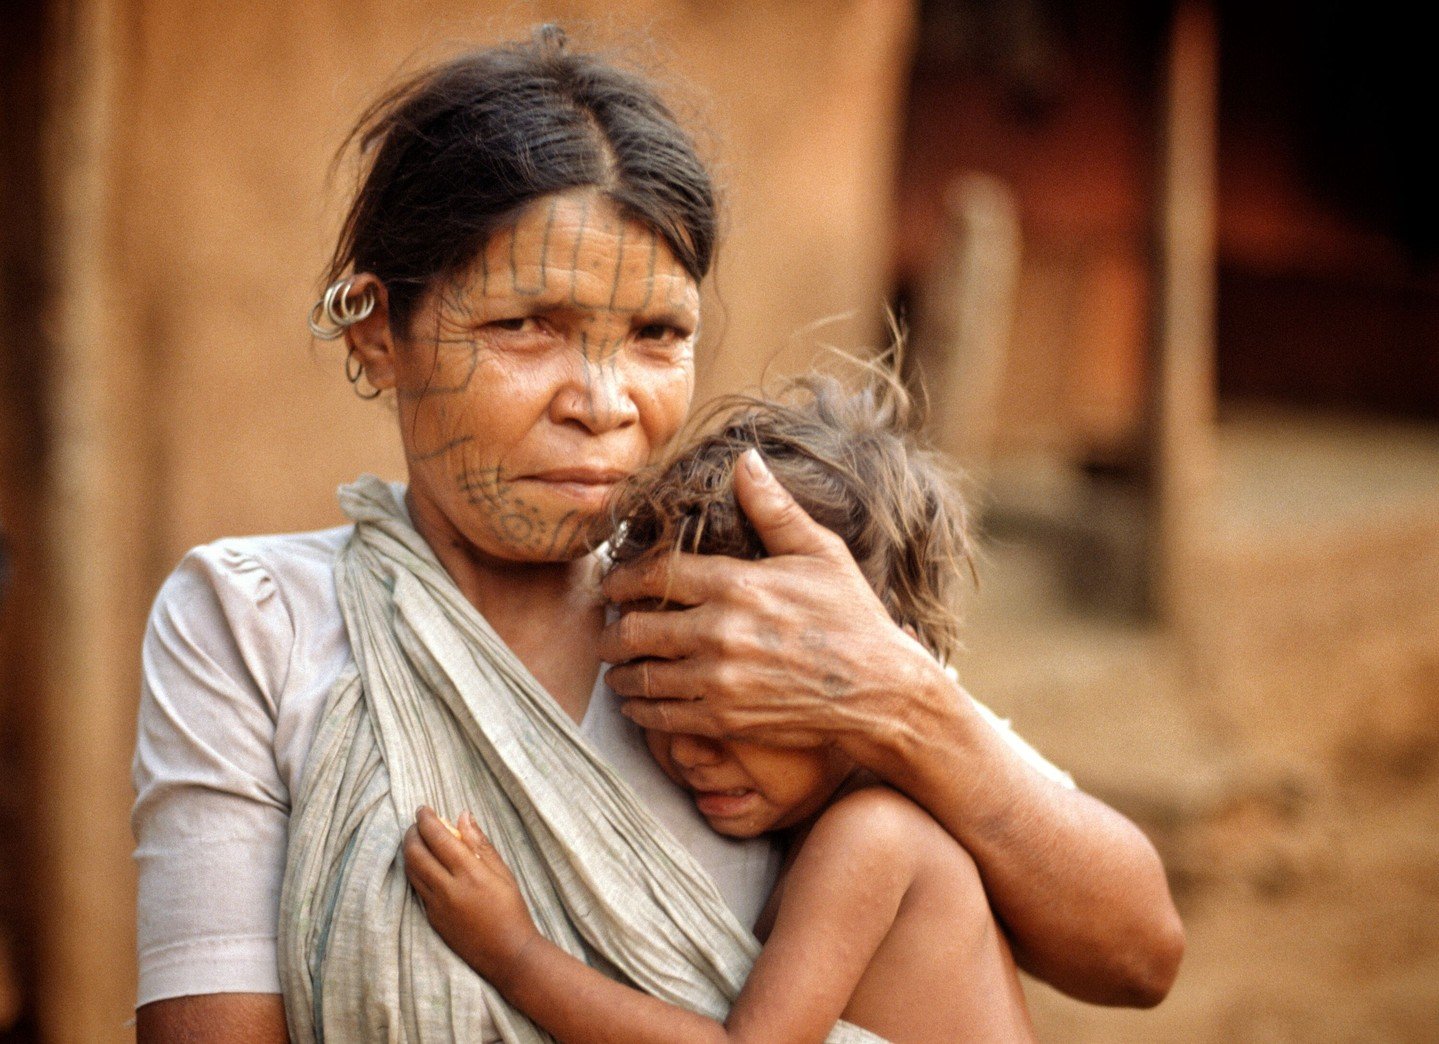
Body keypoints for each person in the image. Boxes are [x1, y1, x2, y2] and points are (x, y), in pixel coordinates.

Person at [131, 25, 1182, 1044]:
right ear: (377, 332)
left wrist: (896, 695)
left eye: (654, 336)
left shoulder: (749, 607)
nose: (603, 401)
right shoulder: (253, 625)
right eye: (525, 325)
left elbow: (1136, 953)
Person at [405, 367, 1042, 1041]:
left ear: (864, 671)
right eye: (659, 708)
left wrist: (514, 953)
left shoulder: (873, 836)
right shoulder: (832, 831)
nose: (688, 751)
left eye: (737, 711)